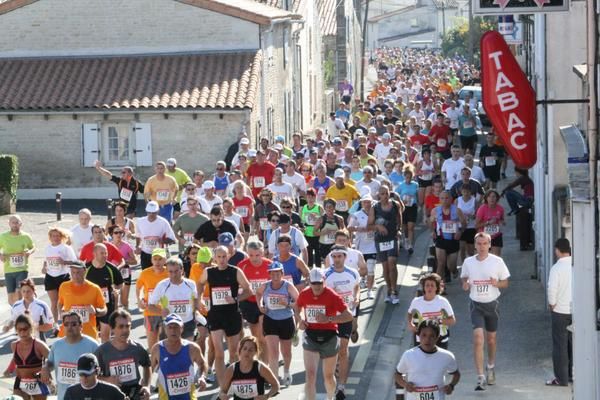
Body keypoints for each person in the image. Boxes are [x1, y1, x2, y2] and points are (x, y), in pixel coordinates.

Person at [460, 232, 510, 391]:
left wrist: (497, 283)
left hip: (492, 305)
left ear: (489, 245)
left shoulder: (497, 262)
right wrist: (465, 284)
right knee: (478, 338)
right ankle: (480, 376)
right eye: (479, 244)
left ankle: (490, 366)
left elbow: (505, 283)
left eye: (484, 244)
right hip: (476, 304)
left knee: (491, 340)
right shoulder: (468, 262)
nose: (481, 247)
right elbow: (464, 277)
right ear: (474, 245)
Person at [294, 268, 353, 400]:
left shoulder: (332, 295)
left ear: (324, 282)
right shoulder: (304, 294)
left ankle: (330, 397)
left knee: (328, 376)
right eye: (314, 283)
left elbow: (348, 315)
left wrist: (329, 319)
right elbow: (297, 308)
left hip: (329, 337)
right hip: (311, 336)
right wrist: (301, 320)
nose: (316, 286)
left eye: (319, 283)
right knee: (310, 375)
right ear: (309, 282)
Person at [197, 245, 253, 386]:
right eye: (219, 257)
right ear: (214, 258)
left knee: (233, 352)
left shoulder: (236, 271)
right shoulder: (208, 272)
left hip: (232, 315)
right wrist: (199, 299)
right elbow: (199, 283)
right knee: (219, 352)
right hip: (215, 315)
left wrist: (236, 299)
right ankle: (223, 384)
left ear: (229, 256)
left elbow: (249, 290)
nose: (222, 260)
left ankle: (233, 381)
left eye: (224, 256)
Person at [323, 246, 360, 400]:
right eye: (335, 256)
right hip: (331, 318)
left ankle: (341, 387)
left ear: (345, 257)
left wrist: (357, 297)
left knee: (343, 350)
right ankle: (331, 378)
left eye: (340, 256)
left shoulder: (353, 273)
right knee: (331, 351)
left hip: (346, 316)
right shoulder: (326, 275)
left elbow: (356, 286)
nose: (337, 259)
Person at [255, 261, 299, 387]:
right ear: (269, 274)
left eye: (278, 273)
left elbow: (299, 301)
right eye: (272, 273)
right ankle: (274, 380)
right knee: (273, 352)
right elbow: (258, 294)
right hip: (270, 320)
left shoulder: (288, 286)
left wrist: (287, 304)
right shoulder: (265, 286)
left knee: (286, 351)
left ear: (282, 273)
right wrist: (260, 305)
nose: (275, 276)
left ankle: (286, 372)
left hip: (286, 320)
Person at [40, 311, 99, 400]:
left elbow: (101, 371)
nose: (69, 327)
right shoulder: (56, 345)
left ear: (81, 326)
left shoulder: (93, 345)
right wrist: (45, 367)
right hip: (64, 397)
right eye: (66, 324)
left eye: (74, 324)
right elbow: (50, 362)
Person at [395, 320, 460, 399]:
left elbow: (456, 374)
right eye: (424, 335)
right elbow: (398, 374)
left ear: (437, 337)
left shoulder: (447, 356)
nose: (427, 339)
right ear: (418, 336)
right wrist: (406, 385)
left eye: (432, 336)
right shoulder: (409, 355)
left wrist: (451, 386)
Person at [95, 310, 151, 399]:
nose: (125, 330)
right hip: (112, 393)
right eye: (121, 327)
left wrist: (146, 386)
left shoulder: (137, 348)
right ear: (112, 328)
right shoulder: (102, 351)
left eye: (127, 326)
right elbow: (92, 376)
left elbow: (147, 365)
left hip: (134, 393)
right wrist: (107, 380)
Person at [151, 313, 208, 400]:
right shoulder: (157, 348)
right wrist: (146, 386)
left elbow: (202, 364)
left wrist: (202, 376)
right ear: (165, 329)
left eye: (176, 327)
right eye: (170, 327)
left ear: (182, 329)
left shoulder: (192, 348)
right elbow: (149, 370)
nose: (173, 330)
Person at [147, 257, 200, 341]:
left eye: (176, 271)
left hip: (187, 323)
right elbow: (150, 306)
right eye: (170, 272)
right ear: (167, 271)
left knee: (187, 351)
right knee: (170, 351)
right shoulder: (162, 285)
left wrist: (196, 311)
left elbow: (196, 298)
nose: (174, 275)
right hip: (170, 325)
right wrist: (161, 312)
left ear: (182, 270)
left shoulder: (191, 284)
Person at [238, 241, 272, 363]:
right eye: (251, 255)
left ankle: (265, 365)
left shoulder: (270, 265)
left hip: (264, 303)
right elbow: (238, 285)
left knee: (263, 337)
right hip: (249, 304)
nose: (254, 258)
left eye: (257, 255)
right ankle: (258, 362)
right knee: (256, 337)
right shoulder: (242, 266)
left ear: (263, 253)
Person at [369, 185, 403, 304]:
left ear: (389, 193)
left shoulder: (395, 205)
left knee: (392, 264)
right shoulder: (375, 208)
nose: (384, 196)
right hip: (380, 240)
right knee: (385, 267)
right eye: (382, 194)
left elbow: (399, 218)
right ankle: (388, 289)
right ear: (379, 195)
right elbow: (369, 225)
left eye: (386, 193)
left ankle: (394, 291)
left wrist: (399, 230)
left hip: (393, 238)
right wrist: (378, 226)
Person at [218, 335, 281, 400]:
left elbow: (276, 386)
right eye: (244, 349)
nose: (247, 352)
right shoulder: (232, 369)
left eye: (251, 350)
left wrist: (267, 396)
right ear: (240, 350)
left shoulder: (261, 368)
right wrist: (223, 395)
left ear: (255, 352)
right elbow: (222, 391)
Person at [546, 238, 573, 386]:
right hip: (576, 311)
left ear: (557, 250)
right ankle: (573, 375)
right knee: (573, 344)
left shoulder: (556, 268)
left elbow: (552, 289)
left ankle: (561, 378)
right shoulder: (577, 265)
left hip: (560, 311)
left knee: (559, 346)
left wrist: (552, 304)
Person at [58, 260, 107, 339]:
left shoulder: (94, 288)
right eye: (73, 272)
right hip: (68, 334)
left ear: (85, 271)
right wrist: (61, 313)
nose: (75, 275)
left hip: (88, 334)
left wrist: (96, 311)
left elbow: (104, 309)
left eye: (78, 272)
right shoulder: (64, 286)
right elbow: (60, 303)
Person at [85, 243, 124, 342]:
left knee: (105, 334)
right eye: (102, 253)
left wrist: (117, 291)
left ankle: (104, 354)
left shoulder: (111, 268)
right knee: (91, 334)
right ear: (94, 254)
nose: (105, 255)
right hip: (90, 305)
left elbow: (120, 283)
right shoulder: (86, 268)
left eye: (106, 253)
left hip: (106, 305)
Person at [407, 273, 455, 349]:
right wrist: (410, 324)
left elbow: (452, 320)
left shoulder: (443, 302)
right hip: (421, 339)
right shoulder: (416, 301)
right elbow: (409, 313)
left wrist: (439, 321)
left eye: (432, 285)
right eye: (427, 285)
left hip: (440, 338)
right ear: (424, 287)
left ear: (437, 288)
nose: (429, 288)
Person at [43, 227, 76, 336]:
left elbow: (75, 262)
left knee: (64, 302)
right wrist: (44, 267)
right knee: (54, 302)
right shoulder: (47, 248)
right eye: (53, 236)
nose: (55, 238)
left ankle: (66, 323)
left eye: (58, 236)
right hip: (50, 276)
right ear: (50, 237)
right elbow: (46, 260)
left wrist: (64, 262)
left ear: (61, 237)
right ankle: (55, 325)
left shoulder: (66, 248)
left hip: (63, 276)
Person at [10, 314, 51, 399]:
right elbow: (16, 361)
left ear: (31, 328)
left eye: (25, 329)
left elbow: (53, 359)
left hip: (38, 382)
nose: (22, 332)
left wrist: (45, 368)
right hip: (21, 382)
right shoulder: (14, 345)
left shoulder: (39, 345)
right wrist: (9, 370)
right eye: (19, 329)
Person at [136, 248, 170, 349]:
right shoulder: (145, 273)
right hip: (150, 313)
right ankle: (155, 364)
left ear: (165, 260)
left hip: (165, 312)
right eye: (155, 259)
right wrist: (140, 300)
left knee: (166, 345)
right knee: (153, 347)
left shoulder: (169, 273)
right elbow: (138, 288)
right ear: (151, 260)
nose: (157, 262)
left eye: (160, 259)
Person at [431, 191, 466, 284]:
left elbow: (464, 223)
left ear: (451, 199)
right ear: (439, 199)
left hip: (453, 240)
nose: (444, 200)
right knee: (441, 263)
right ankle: (438, 286)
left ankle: (454, 271)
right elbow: (430, 221)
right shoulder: (435, 211)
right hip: (441, 239)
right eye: (442, 198)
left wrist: (460, 231)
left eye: (447, 198)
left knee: (451, 266)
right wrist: (433, 231)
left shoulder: (457, 210)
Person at [0, 214, 35, 305]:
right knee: (11, 297)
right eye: (13, 223)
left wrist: (29, 252)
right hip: (8, 270)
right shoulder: (3, 236)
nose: (15, 224)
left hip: (22, 269)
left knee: (19, 292)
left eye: (17, 222)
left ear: (21, 224)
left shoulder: (26, 236)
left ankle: (21, 313)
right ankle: (15, 313)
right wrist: (1, 255)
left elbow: (33, 247)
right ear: (9, 224)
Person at [348, 193, 378, 299]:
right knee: (362, 269)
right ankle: (362, 282)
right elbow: (349, 228)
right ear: (361, 203)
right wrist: (358, 229)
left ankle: (369, 291)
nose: (367, 204)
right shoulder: (356, 214)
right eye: (365, 202)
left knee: (371, 269)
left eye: (368, 202)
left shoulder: (376, 213)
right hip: (360, 246)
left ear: (372, 202)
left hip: (373, 246)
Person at [135, 201, 177, 269]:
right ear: (146, 211)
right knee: (146, 275)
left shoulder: (163, 222)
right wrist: (137, 246)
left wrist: (162, 241)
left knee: (160, 275)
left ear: (158, 211)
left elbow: (173, 239)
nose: (151, 214)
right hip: (145, 253)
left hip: (159, 254)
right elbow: (138, 236)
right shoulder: (140, 221)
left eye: (154, 213)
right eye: (149, 212)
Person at [108, 225, 137, 309]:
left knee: (124, 300)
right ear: (111, 234)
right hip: (113, 273)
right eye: (116, 232)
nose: (118, 234)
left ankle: (126, 318)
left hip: (125, 273)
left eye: (120, 232)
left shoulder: (127, 246)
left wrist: (123, 261)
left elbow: (135, 261)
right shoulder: (108, 246)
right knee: (113, 298)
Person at [475, 190, 505, 256]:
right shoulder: (482, 209)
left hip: (496, 235)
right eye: (489, 197)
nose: (492, 199)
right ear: (486, 198)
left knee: (496, 258)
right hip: (484, 236)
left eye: (494, 197)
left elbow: (503, 220)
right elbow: (476, 225)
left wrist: (502, 222)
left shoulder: (500, 208)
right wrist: (488, 222)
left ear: (497, 198)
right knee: (484, 259)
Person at [396, 166, 419, 254]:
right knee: (404, 227)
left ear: (412, 177)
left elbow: (417, 195)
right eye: (406, 177)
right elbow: (396, 195)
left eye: (410, 177)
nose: (408, 179)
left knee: (411, 227)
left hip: (412, 207)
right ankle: (405, 240)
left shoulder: (415, 185)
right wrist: (401, 201)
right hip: (404, 208)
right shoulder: (401, 185)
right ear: (404, 177)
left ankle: (410, 245)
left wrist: (417, 202)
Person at [301, 188, 324, 268]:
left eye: (312, 197)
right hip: (307, 233)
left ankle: (319, 270)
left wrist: (317, 217)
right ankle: (310, 271)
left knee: (318, 254)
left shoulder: (319, 207)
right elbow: (302, 221)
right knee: (309, 253)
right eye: (308, 197)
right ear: (306, 198)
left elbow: (323, 220)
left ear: (315, 197)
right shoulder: (304, 207)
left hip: (317, 233)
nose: (310, 199)